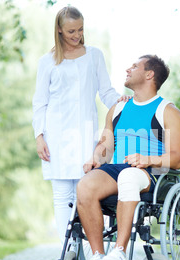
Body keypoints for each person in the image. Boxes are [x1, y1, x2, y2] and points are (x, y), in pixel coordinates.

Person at [75, 55, 180, 260]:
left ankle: (118, 251)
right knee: (84, 185)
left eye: (135, 66)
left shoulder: (168, 111)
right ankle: (97, 257)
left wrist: (148, 160)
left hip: (151, 174)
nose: (128, 68)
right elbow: (105, 145)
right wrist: (96, 157)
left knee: (128, 176)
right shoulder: (117, 109)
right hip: (116, 170)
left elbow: (177, 158)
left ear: (149, 74)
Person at [32, 6, 128, 242]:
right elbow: (39, 102)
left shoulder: (94, 55)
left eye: (81, 30)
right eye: (71, 31)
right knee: (61, 194)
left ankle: (93, 245)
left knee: (86, 190)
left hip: (86, 134)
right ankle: (70, 249)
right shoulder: (47, 62)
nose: (77, 35)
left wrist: (119, 100)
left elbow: (105, 91)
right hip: (55, 135)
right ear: (59, 31)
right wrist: (39, 135)